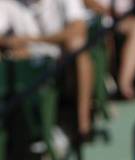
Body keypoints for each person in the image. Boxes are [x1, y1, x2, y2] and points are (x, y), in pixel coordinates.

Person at [7, 0, 95, 137]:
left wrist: (34, 40)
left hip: (59, 57)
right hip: (28, 60)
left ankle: (83, 121)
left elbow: (78, 29)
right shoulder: (10, 4)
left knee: (77, 47)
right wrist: (11, 43)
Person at [83, 0, 135, 99]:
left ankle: (125, 84)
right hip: (93, 21)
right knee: (106, 39)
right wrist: (107, 11)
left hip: (119, 18)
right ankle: (106, 84)